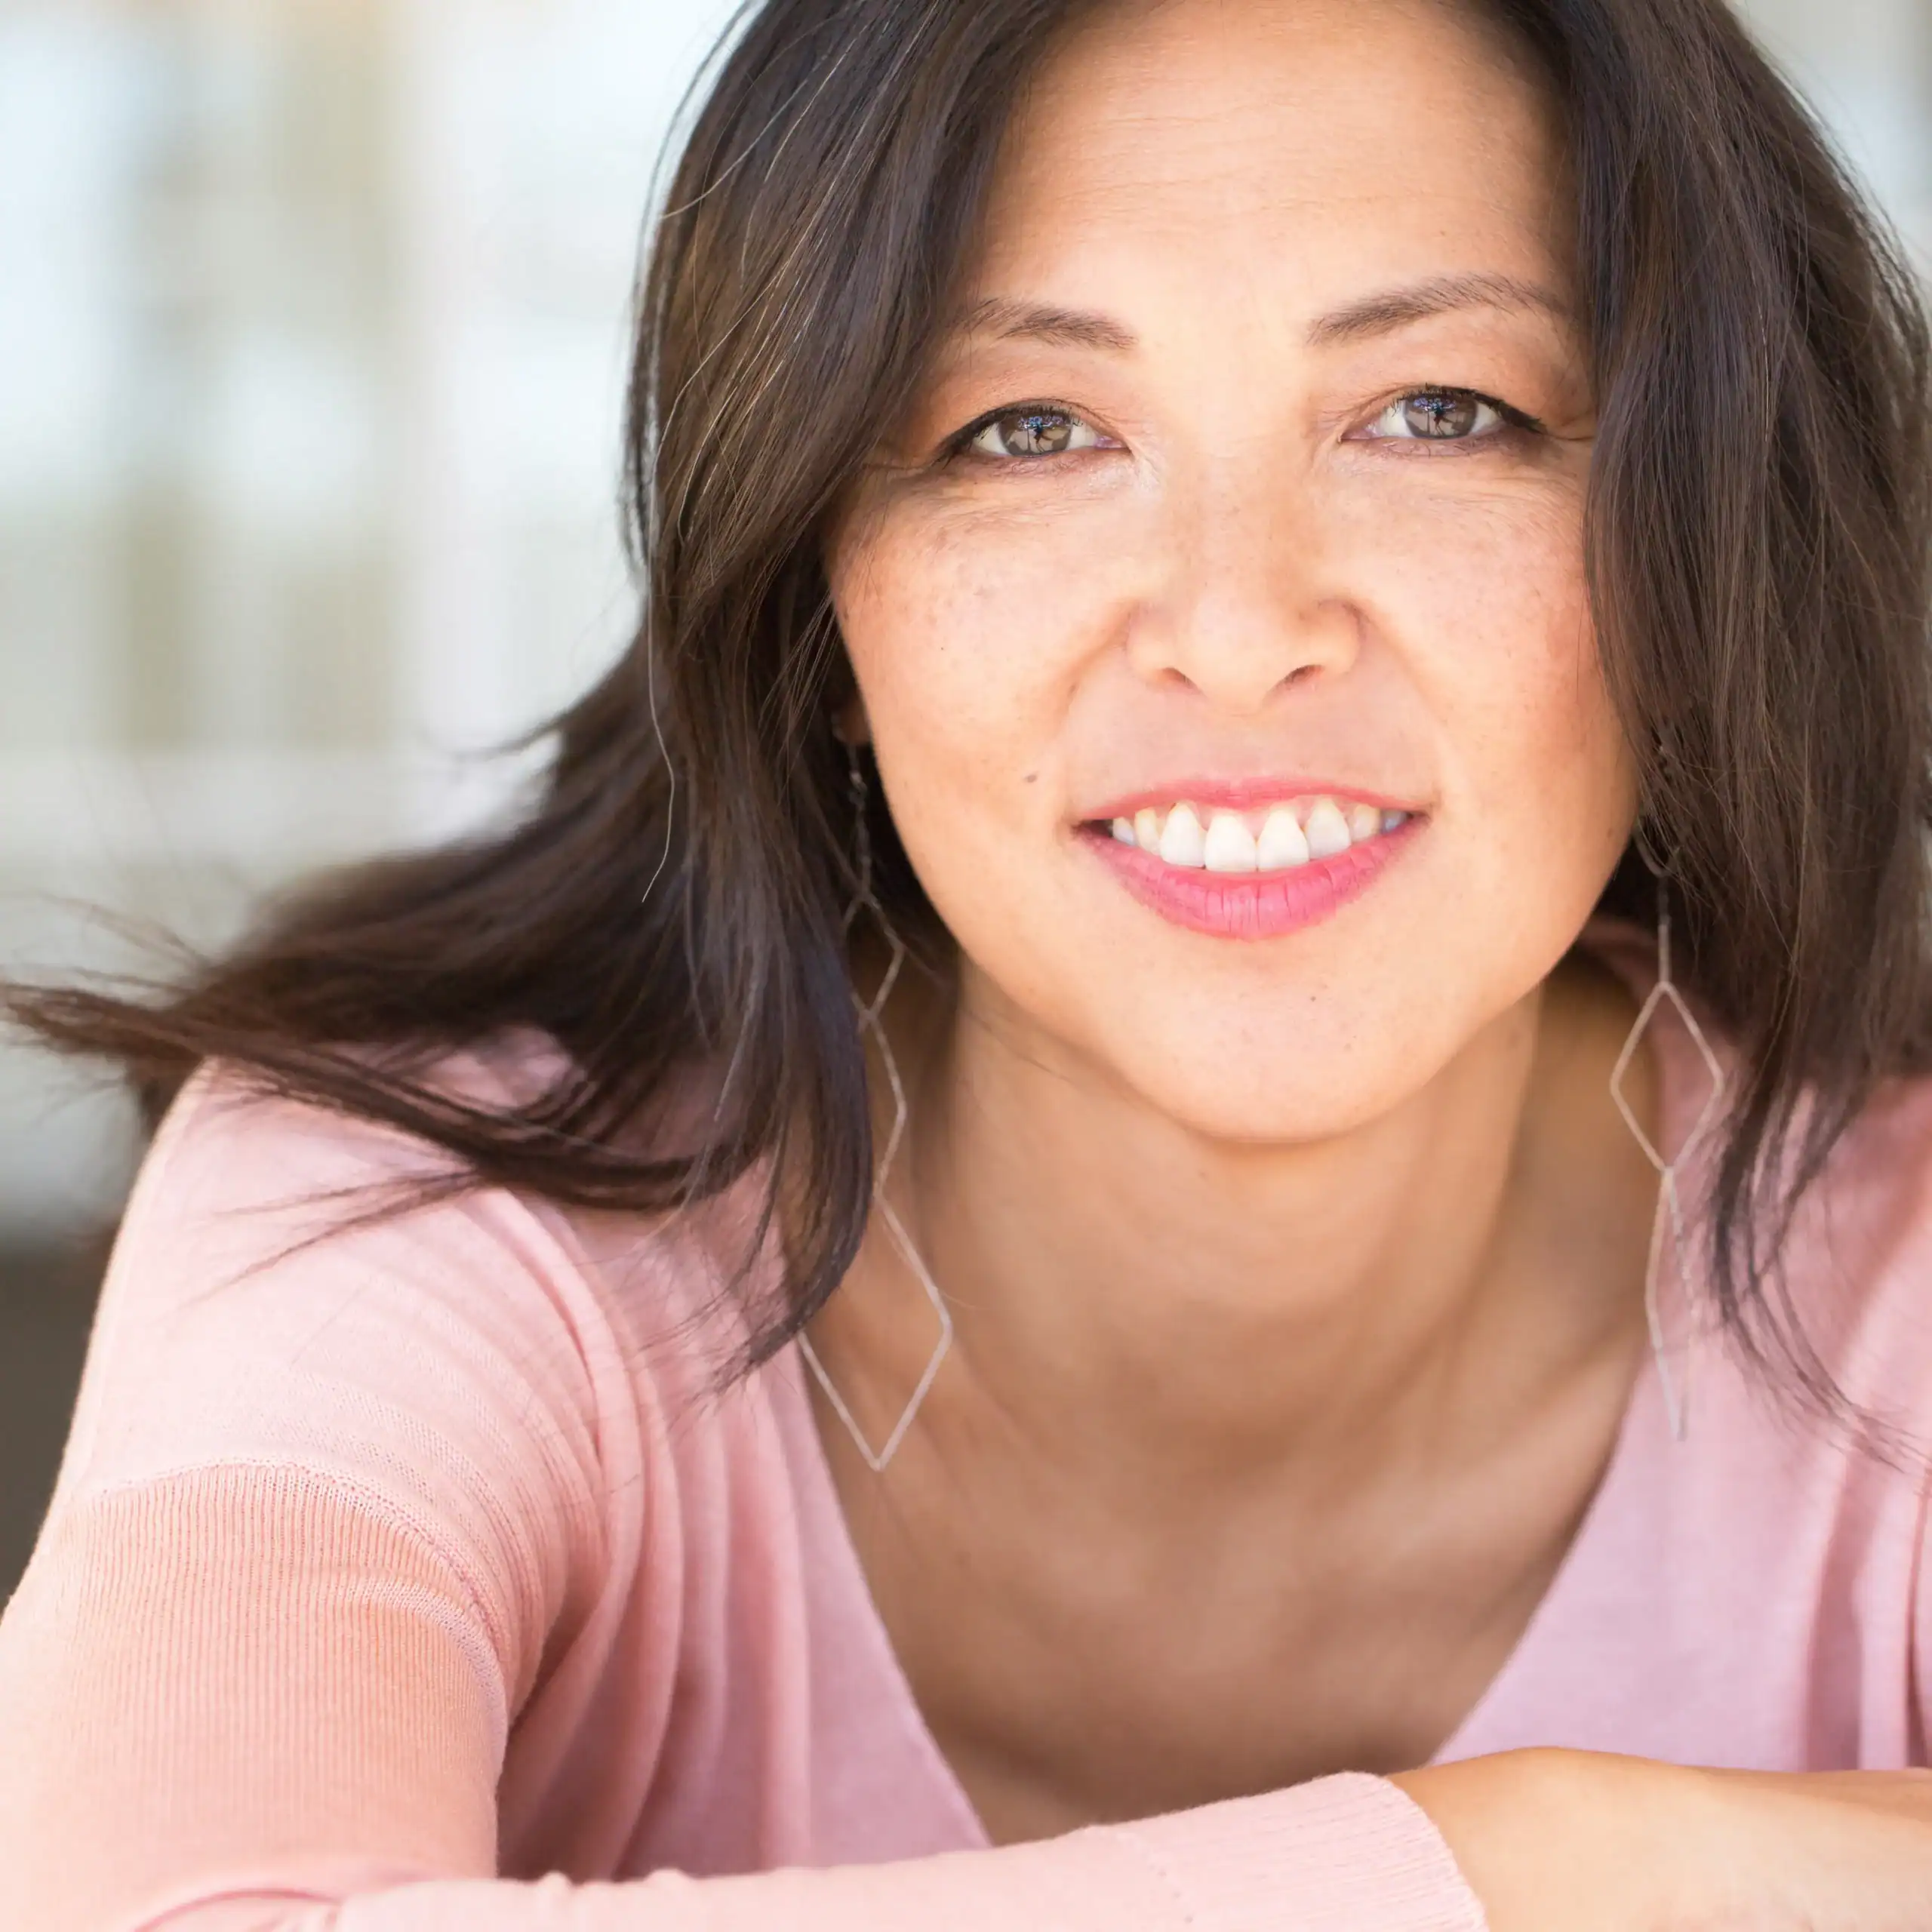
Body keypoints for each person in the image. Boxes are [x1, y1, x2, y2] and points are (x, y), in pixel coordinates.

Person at [5, 0, 1932, 1925]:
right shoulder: (420, 1212)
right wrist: (1547, 1865)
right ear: (817, 599)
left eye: (1437, 411)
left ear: (1699, 537)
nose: (1239, 625)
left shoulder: (1896, 1263)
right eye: (1030, 430)